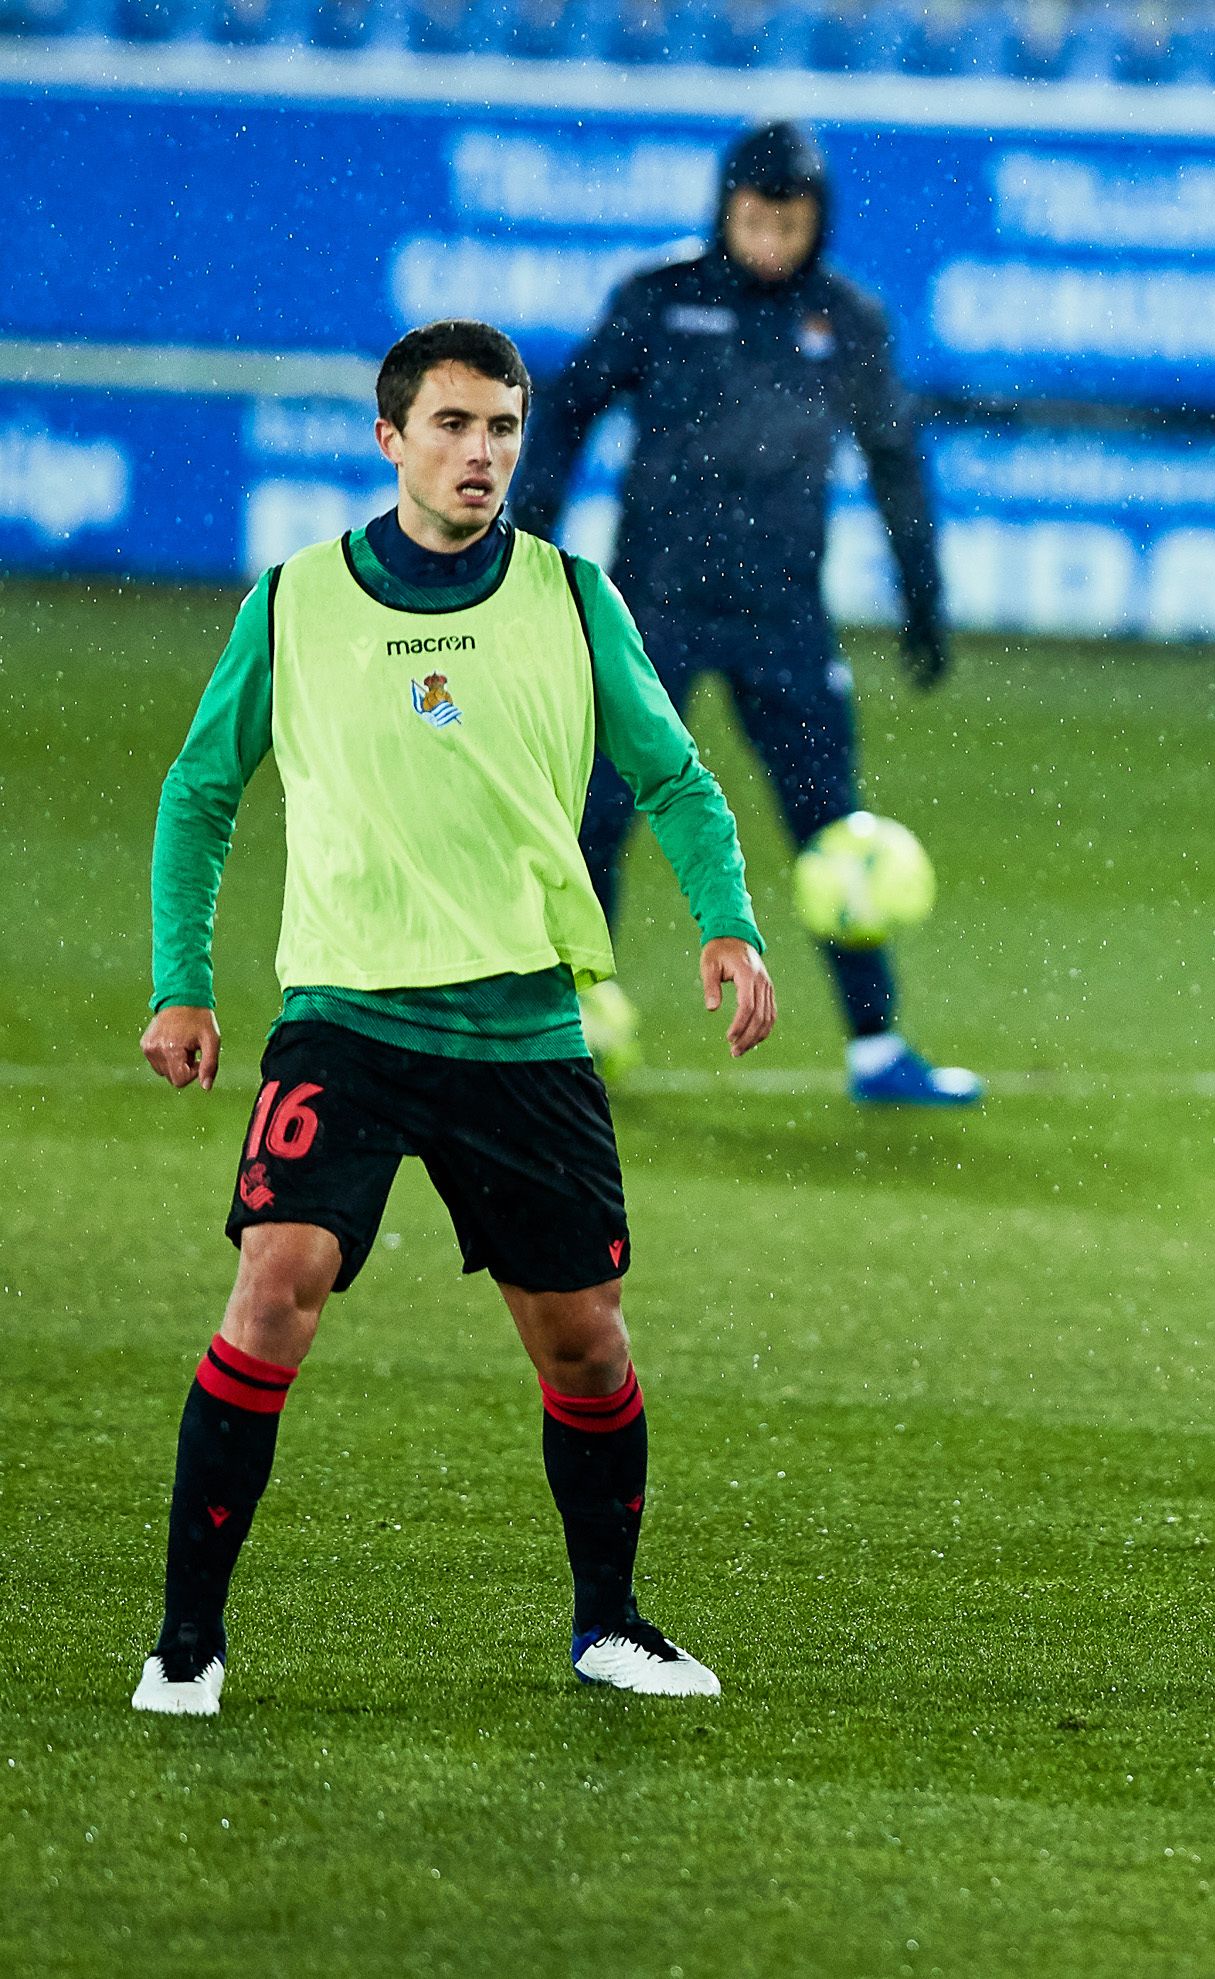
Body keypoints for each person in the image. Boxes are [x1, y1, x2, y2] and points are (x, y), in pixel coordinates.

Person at [134, 320, 777, 1717]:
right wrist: (183, 978)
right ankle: (187, 1643)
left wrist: (727, 920)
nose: (480, 452)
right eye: (452, 424)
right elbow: (200, 790)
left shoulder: (570, 594)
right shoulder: (296, 599)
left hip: (526, 1030)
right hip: (348, 1019)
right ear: (390, 436)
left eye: (502, 426)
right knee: (271, 1292)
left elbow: (675, 777)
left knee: (586, 1341)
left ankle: (608, 1624)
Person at [514, 119, 974, 1107]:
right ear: (726, 209)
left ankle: (879, 1051)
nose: (773, 238)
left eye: (793, 221)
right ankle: (567, 1025)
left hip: (782, 618)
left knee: (834, 827)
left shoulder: (846, 319)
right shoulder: (660, 299)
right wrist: (531, 541)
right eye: (758, 217)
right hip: (653, 609)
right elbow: (565, 409)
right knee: (597, 814)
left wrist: (922, 598)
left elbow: (896, 456)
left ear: (821, 221)